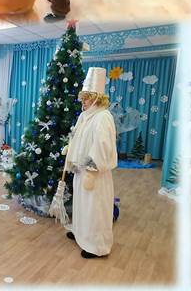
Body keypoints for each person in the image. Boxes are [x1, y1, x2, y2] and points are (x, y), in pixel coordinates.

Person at [63, 67, 118, 259]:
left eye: (86, 98)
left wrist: (92, 169)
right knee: (81, 205)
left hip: (94, 175)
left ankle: (96, 245)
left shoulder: (103, 118)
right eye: (83, 98)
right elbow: (77, 137)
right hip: (81, 170)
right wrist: (70, 150)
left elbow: (103, 147)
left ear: (96, 98)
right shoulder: (84, 116)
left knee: (95, 209)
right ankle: (80, 233)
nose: (83, 102)